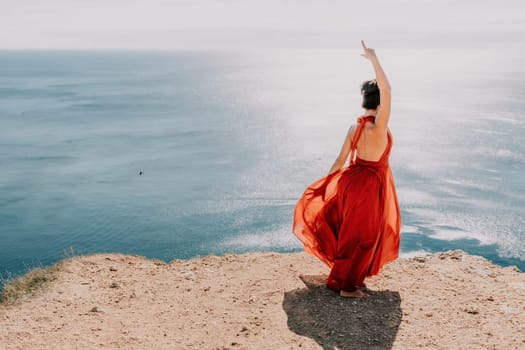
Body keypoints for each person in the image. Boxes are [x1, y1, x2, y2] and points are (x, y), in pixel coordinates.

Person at [292, 40, 401, 298]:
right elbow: (388, 89)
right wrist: (374, 58)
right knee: (365, 236)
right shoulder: (378, 127)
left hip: (349, 181)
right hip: (370, 186)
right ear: (379, 102)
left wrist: (325, 186)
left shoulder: (356, 128)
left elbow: (340, 160)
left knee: (349, 232)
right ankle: (346, 286)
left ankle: (345, 276)